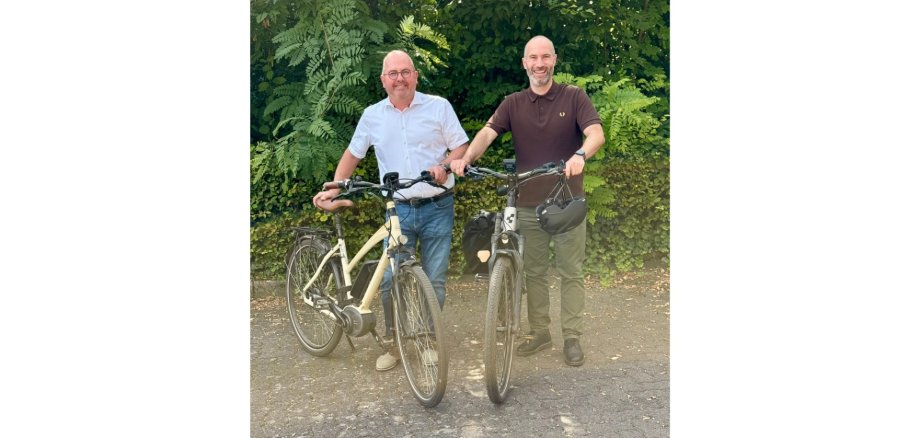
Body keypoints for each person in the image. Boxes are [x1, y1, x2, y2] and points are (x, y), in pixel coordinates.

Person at [450, 36, 605, 367]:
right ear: (524, 63)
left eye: (545, 57)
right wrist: (467, 159)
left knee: (570, 271)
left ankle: (572, 336)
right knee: (533, 272)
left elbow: (596, 134)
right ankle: (540, 332)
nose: (539, 63)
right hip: (527, 204)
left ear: (554, 60)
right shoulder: (513, 103)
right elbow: (487, 133)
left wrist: (580, 155)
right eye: (533, 58)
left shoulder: (574, 96)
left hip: (567, 204)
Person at [313, 50, 469, 371]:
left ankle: (426, 339)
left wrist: (444, 165)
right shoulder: (372, 115)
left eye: (405, 72)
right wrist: (334, 187)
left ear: (416, 76)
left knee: (434, 281)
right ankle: (395, 343)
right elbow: (353, 154)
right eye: (393, 73)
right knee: (389, 280)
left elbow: (461, 146)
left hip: (438, 206)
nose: (400, 79)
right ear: (383, 80)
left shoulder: (439, 107)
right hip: (398, 210)